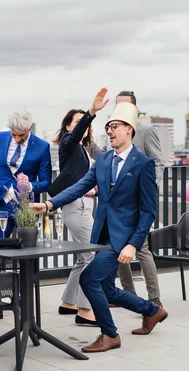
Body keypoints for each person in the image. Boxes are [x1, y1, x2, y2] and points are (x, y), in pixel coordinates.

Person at [31, 92, 168, 352]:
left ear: (129, 130)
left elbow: (149, 211)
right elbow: (81, 185)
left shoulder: (144, 165)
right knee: (107, 288)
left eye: (114, 127)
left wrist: (133, 244)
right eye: (108, 128)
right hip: (101, 234)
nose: (109, 131)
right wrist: (50, 204)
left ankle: (110, 334)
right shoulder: (104, 159)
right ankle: (151, 311)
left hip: (122, 238)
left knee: (88, 279)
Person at [0, 109, 52, 323]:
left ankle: (23, 303)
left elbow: (46, 180)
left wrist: (30, 185)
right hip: (1, 205)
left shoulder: (42, 146)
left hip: (26, 210)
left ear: (29, 129)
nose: (16, 138)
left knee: (26, 257)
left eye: (21, 135)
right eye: (14, 134)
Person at [49, 88, 110, 326]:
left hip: (83, 205)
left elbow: (80, 178)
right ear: (67, 128)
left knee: (83, 256)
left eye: (83, 123)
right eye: (76, 123)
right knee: (92, 256)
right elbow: (74, 137)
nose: (82, 127)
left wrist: (93, 190)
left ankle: (68, 302)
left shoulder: (84, 151)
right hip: (74, 206)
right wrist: (91, 112)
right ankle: (85, 310)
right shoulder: (68, 143)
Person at [112, 91, 164, 306]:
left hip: (138, 200)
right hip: (117, 202)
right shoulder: (114, 131)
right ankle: (128, 295)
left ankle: (155, 299)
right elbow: (107, 158)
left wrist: (149, 189)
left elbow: (158, 161)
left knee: (140, 247)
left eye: (123, 105)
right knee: (118, 246)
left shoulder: (145, 130)